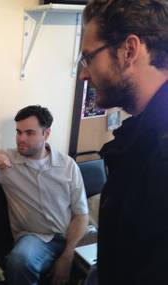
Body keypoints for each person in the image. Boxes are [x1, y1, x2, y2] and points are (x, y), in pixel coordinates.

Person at [79, 0, 168, 284]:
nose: (83, 74)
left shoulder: (160, 151)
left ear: (129, 50)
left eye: (88, 58)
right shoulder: (139, 138)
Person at [0, 105, 89, 285]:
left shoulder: (67, 165)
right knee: (20, 260)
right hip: (35, 238)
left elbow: (81, 214)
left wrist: (68, 255)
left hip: (71, 235)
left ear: (46, 134)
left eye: (30, 133)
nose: (21, 139)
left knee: (111, 258)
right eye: (19, 132)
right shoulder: (6, 162)